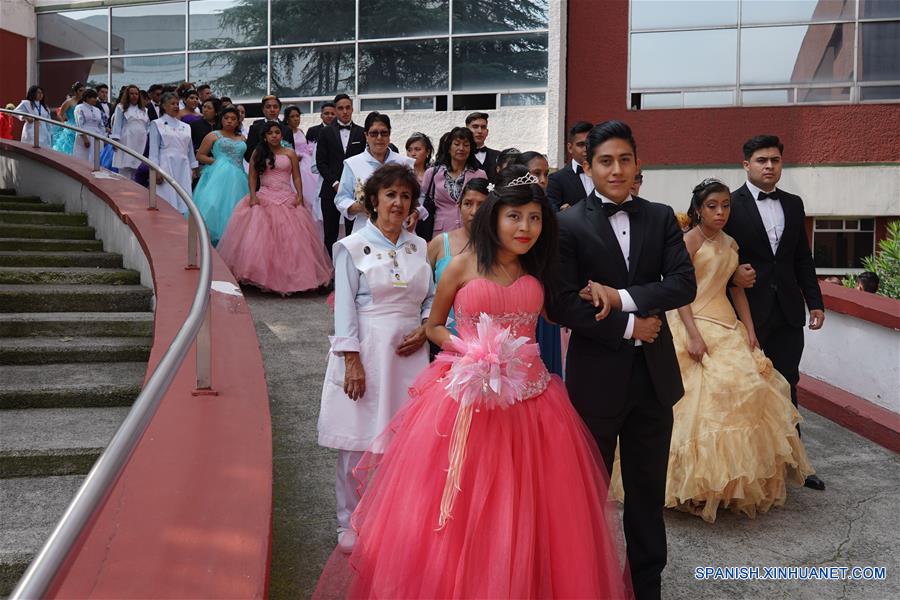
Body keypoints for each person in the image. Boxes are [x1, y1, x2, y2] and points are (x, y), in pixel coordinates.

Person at [315, 172, 628, 598]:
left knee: (531, 504)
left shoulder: (540, 266)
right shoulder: (461, 264)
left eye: (535, 219)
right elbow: (434, 325)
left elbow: (559, 314)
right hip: (466, 396)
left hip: (534, 401)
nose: (524, 228)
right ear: (494, 218)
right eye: (514, 216)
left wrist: (604, 295)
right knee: (463, 500)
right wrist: (469, 349)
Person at [547, 120, 696, 600]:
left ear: (637, 165)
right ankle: (585, 583)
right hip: (596, 382)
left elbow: (683, 284)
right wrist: (630, 325)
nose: (616, 169)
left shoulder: (659, 217)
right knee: (586, 494)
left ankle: (646, 586)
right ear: (587, 166)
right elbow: (562, 303)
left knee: (647, 496)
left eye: (624, 160)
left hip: (654, 381)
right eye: (605, 161)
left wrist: (621, 297)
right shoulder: (566, 225)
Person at [611, 178, 814, 523]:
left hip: (728, 325)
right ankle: (690, 488)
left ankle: (728, 487)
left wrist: (750, 331)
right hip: (693, 323)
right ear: (698, 209)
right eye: (712, 206)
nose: (720, 212)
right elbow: (680, 293)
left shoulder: (732, 243)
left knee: (747, 391)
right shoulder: (688, 241)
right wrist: (692, 334)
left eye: (725, 206)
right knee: (697, 403)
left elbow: (737, 291)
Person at [317, 163, 434, 555]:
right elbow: (345, 307)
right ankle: (347, 520)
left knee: (403, 439)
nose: (398, 203)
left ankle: (390, 514)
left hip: (410, 355)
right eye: (390, 195)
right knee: (357, 438)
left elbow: (431, 297)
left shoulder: (418, 245)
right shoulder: (351, 247)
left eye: (405, 196)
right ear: (373, 201)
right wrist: (351, 360)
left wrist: (424, 327)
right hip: (367, 349)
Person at [724, 134, 825, 492]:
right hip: (744, 312)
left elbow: (802, 258)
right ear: (746, 165)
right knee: (748, 388)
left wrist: (814, 302)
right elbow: (710, 252)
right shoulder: (728, 204)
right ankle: (752, 465)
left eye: (775, 160)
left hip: (786, 313)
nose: (769, 166)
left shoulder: (795, 204)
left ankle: (796, 462)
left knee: (787, 385)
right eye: (762, 160)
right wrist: (731, 273)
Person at [217, 121, 332, 294]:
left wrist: (300, 194)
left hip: (287, 197)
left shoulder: (290, 153)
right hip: (263, 197)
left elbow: (297, 177)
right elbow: (253, 176)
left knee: (293, 240)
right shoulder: (259, 152)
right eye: (270, 133)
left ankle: (294, 278)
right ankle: (259, 276)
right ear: (264, 136)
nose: (274, 136)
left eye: (277, 132)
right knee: (259, 239)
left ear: (281, 134)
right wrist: (253, 195)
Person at [334, 112, 423, 237]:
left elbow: (417, 199)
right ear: (366, 135)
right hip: (365, 229)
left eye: (384, 133)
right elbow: (341, 199)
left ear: (389, 135)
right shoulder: (353, 163)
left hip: (399, 229)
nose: (379, 138)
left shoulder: (404, 163)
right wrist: (362, 207)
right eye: (374, 133)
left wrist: (414, 214)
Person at [513, 155, 561, 377]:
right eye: (536, 174)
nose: (542, 180)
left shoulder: (552, 216)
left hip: (543, 302)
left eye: (546, 175)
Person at [426, 176, 489, 336]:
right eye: (468, 203)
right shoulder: (440, 243)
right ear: (459, 206)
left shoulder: (498, 249)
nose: (474, 211)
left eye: (481, 205)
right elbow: (422, 290)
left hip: (483, 341)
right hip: (440, 335)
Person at [316, 93, 366, 256]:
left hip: (355, 192)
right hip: (331, 190)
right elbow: (321, 163)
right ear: (335, 111)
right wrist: (336, 183)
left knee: (355, 231)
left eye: (347, 108)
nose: (344, 111)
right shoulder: (325, 132)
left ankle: (354, 265)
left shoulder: (361, 133)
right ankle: (331, 271)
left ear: (352, 109)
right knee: (330, 232)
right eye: (340, 108)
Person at [416, 127, 486, 241]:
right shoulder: (432, 173)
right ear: (449, 148)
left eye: (466, 145)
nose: (461, 148)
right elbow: (420, 201)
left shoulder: (479, 174)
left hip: (471, 231)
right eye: (457, 144)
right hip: (440, 233)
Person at [192, 106, 248, 245]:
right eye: (226, 118)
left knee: (237, 207)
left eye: (233, 119)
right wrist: (218, 163)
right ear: (221, 119)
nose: (229, 121)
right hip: (218, 176)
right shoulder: (213, 135)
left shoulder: (242, 138)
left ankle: (234, 240)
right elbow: (200, 156)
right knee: (214, 204)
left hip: (239, 177)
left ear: (238, 122)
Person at [148, 91, 197, 213]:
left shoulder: (186, 126)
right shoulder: (156, 124)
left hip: (183, 165)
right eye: (172, 104)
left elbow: (189, 149)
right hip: (166, 164)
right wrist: (156, 170)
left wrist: (193, 167)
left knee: (183, 196)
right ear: (164, 106)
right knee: (167, 195)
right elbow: (153, 150)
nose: (176, 106)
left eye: (177, 103)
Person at [547, 120, 593, 212]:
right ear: (570, 148)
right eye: (581, 145)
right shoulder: (556, 180)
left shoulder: (607, 174)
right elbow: (553, 216)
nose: (586, 149)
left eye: (590, 144)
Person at [110, 84, 149, 180]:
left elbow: (147, 126)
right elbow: (117, 124)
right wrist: (115, 140)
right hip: (127, 139)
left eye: (136, 94)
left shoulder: (144, 110)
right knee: (125, 166)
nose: (134, 96)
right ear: (127, 95)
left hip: (140, 140)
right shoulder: (121, 107)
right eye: (131, 93)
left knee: (137, 167)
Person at [244, 95, 295, 162]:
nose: (272, 110)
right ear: (263, 109)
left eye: (275, 107)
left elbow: (292, 153)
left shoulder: (287, 129)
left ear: (279, 109)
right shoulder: (255, 128)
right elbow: (248, 155)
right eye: (268, 107)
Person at [73, 88, 105, 164]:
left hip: (97, 135)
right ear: (87, 98)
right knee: (84, 156)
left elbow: (101, 125)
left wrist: (102, 137)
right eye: (94, 98)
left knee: (96, 157)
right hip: (85, 134)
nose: (95, 100)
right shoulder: (79, 107)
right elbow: (79, 124)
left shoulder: (97, 109)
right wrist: (85, 138)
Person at [51, 81, 84, 155]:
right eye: (80, 90)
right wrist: (64, 124)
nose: (82, 92)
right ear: (75, 92)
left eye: (83, 91)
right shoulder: (69, 102)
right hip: (70, 126)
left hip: (81, 126)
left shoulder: (83, 102)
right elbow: (60, 114)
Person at [466, 111, 499, 181]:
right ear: (466, 130)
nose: (480, 131)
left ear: (487, 132)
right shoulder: (460, 157)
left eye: (483, 127)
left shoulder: (498, 156)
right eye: (475, 127)